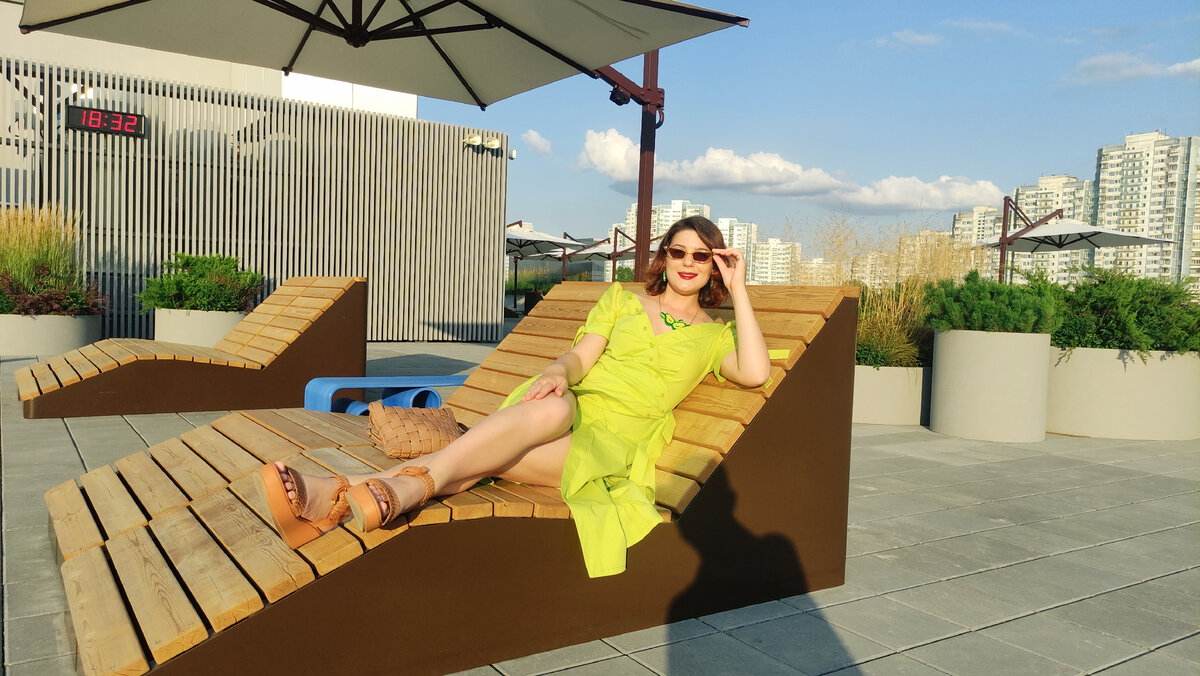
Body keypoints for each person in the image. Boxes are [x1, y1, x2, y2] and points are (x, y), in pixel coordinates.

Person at [257, 216, 770, 577]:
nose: (688, 262)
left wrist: (740, 289)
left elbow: (754, 372)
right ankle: (392, 493)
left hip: (613, 442)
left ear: (715, 266)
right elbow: (581, 357)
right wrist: (557, 371)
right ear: (664, 257)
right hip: (572, 404)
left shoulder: (714, 337)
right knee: (552, 403)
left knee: (482, 456)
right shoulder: (622, 301)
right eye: (678, 251)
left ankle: (340, 493)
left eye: (701, 256)